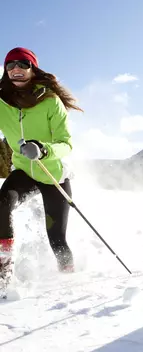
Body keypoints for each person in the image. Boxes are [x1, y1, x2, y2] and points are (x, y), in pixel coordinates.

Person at [0, 47, 83, 294]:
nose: (16, 68)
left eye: (23, 64)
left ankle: (68, 281)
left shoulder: (49, 101)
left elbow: (66, 143)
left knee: (57, 240)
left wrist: (43, 149)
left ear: (32, 69)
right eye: (11, 64)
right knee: (2, 202)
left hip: (53, 174)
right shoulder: (1, 101)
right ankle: (4, 267)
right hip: (24, 171)